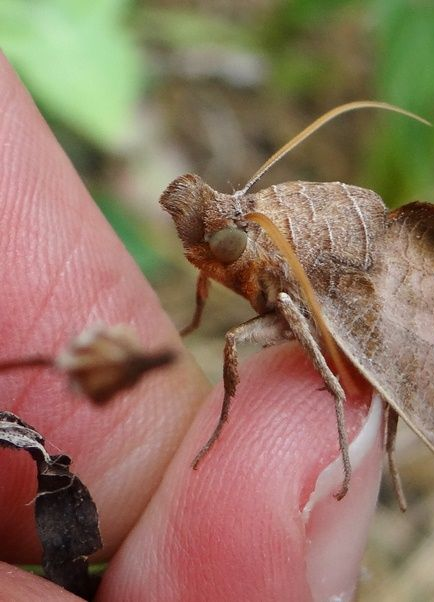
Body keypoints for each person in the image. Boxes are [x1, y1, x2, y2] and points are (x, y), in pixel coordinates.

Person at [0, 54, 383, 601]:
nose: (202, 260)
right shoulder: (237, 249)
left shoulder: (279, 270)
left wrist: (341, 442)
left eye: (218, 248)